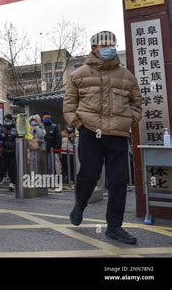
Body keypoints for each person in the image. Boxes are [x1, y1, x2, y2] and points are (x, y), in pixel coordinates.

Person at [64, 31, 142, 244]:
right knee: (89, 174)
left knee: (118, 180)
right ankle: (80, 204)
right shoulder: (79, 74)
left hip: (117, 133)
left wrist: (129, 120)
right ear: (94, 48)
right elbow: (69, 102)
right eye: (104, 44)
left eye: (112, 44)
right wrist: (77, 123)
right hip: (90, 132)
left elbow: (137, 103)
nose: (109, 47)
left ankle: (114, 226)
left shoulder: (127, 76)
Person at [0, 114, 18, 192]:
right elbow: (0, 137)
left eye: (8, 120)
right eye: (5, 120)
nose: (6, 122)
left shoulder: (15, 127)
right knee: (3, 166)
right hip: (5, 150)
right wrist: (2, 136)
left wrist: (8, 135)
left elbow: (16, 136)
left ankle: (12, 182)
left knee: (12, 167)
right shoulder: (3, 127)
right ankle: (4, 177)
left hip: (13, 150)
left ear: (11, 120)